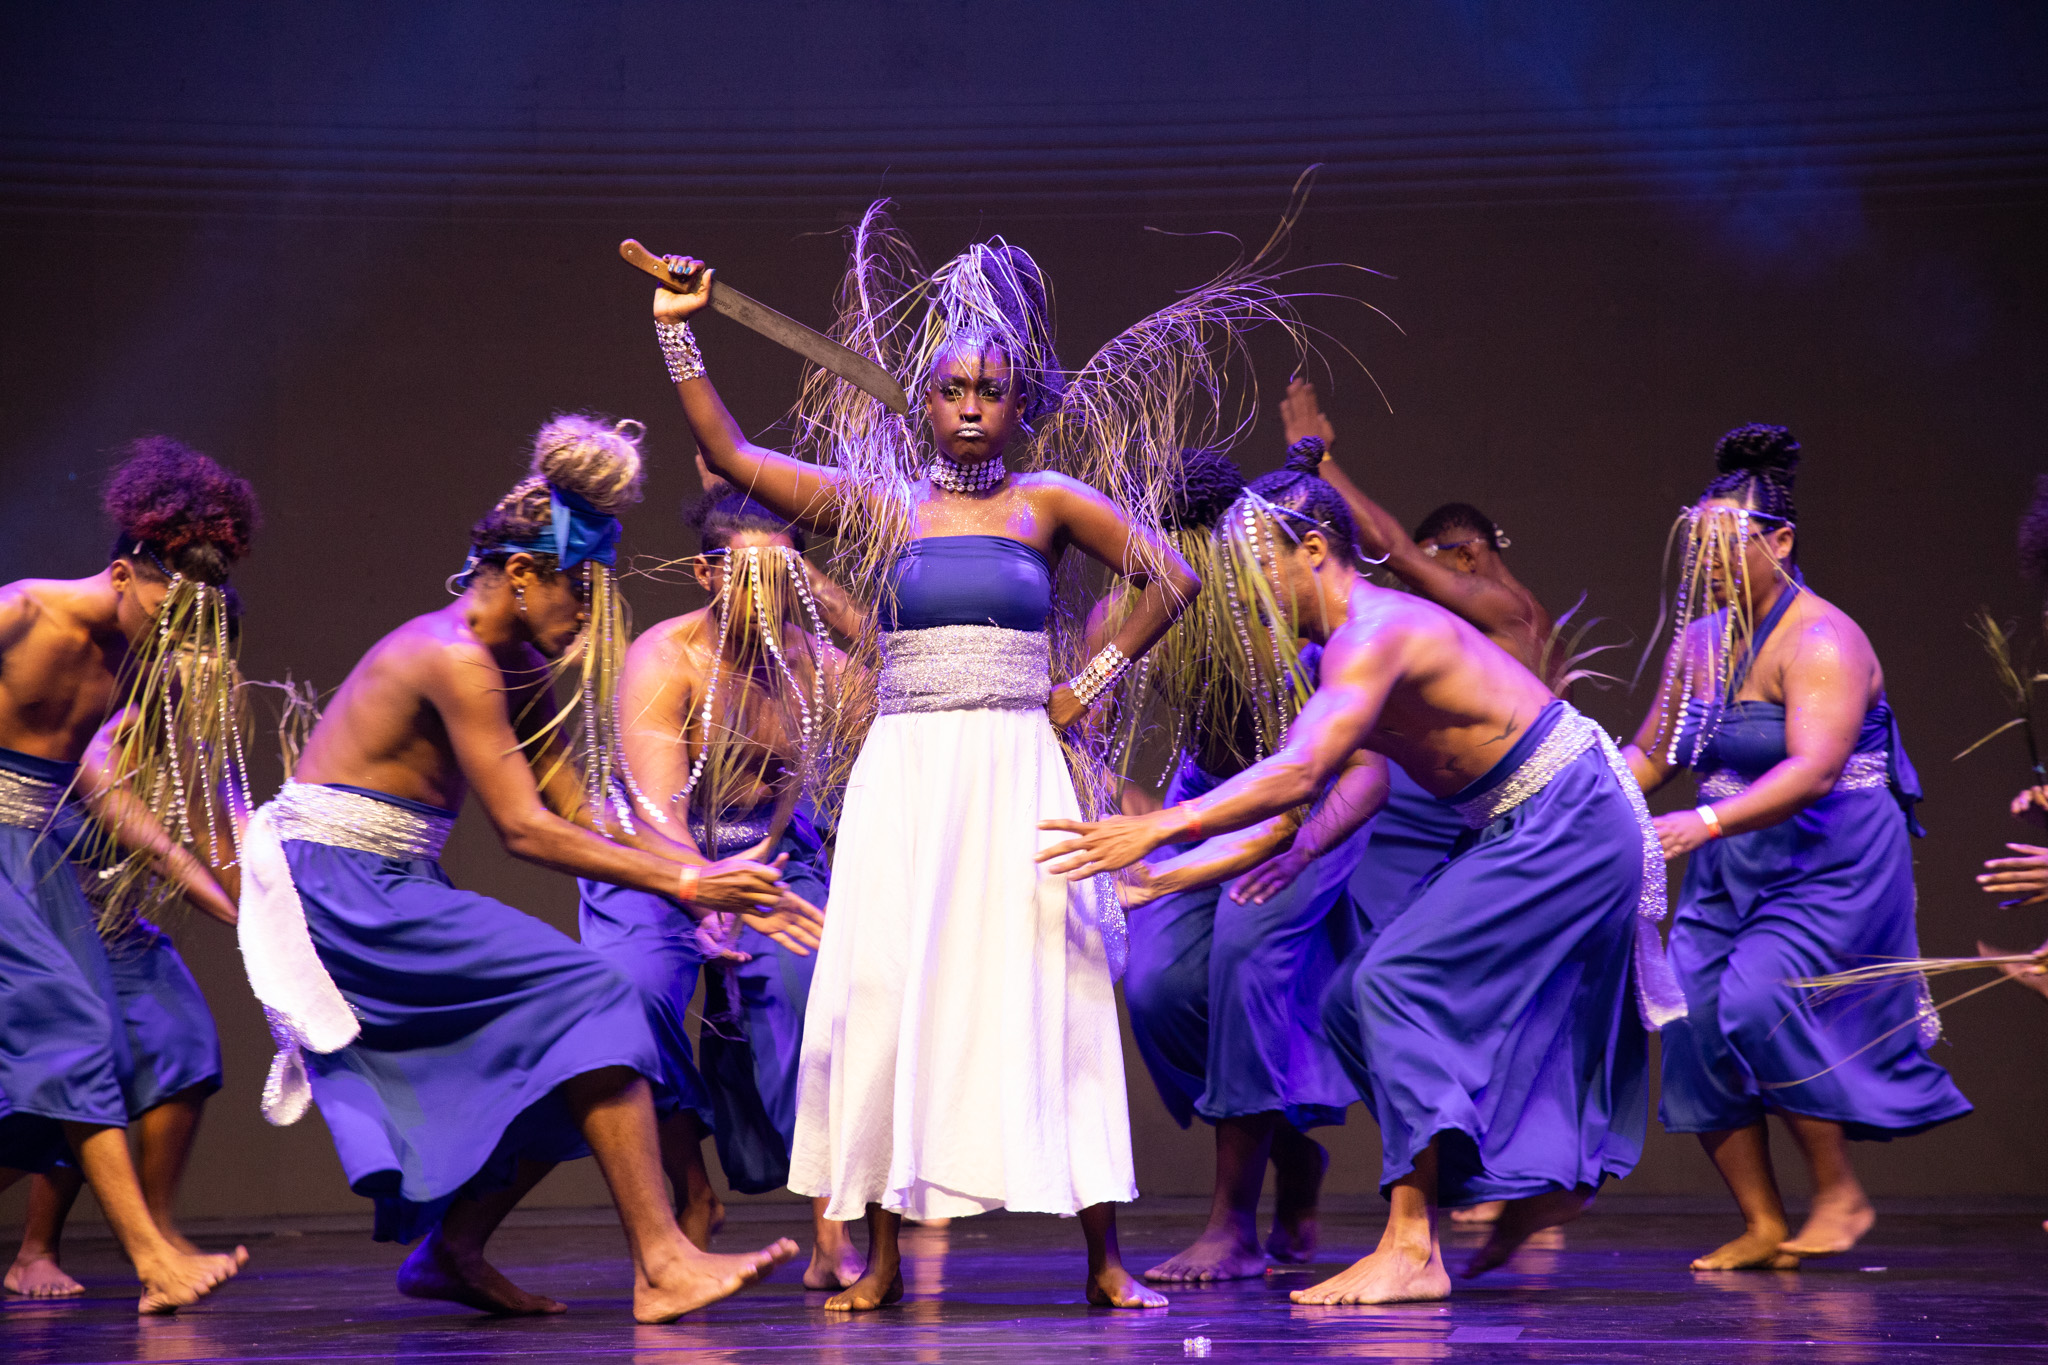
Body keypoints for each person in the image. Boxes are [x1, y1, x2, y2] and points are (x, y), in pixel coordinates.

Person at [647, 206, 1256, 1310]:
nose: (970, 407)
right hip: (909, 777)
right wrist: (677, 329)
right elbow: (733, 456)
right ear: (924, 401)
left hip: (1017, 770)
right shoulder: (882, 506)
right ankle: (881, 1257)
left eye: (990, 391)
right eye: (951, 390)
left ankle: (1104, 1258)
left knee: (1055, 980)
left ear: (1020, 405)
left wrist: (1084, 685)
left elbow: (1170, 577)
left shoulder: (1047, 502)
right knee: (889, 987)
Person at [1039, 446, 1679, 1306]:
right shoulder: (1327, 655)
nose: (1243, 592)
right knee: (1351, 1001)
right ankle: (1528, 1185)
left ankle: (1413, 1244)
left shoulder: (1374, 634)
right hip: (1520, 818)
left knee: (1392, 983)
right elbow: (1290, 815)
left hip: (1568, 813)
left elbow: (1303, 771)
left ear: (1313, 550)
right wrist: (1161, 878)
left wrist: (1160, 825)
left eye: (1257, 567)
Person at [235, 415, 818, 1322]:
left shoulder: (513, 661)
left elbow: (585, 810)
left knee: (571, 1032)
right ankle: (663, 1259)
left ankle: (454, 1248)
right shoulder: (456, 656)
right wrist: (686, 884)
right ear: (520, 573)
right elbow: (525, 830)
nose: (586, 616)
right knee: (598, 999)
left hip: (392, 881)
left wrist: (701, 875)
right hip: (339, 888)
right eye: (579, 592)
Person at [1624, 425, 1969, 1270]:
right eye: (1698, 547)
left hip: (1829, 857)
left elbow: (1814, 768)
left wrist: (1704, 823)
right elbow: (1655, 755)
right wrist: (1570, 792)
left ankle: (1839, 1191)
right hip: (1731, 860)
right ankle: (1762, 1221)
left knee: (1759, 1000)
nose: (1706, 563)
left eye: (1724, 545)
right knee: (1694, 1018)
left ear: (1779, 540)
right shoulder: (1700, 642)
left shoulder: (1823, 639)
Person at [1279, 378, 1589, 1227]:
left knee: (1420, 992)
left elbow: (1387, 550)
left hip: (1507, 825)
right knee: (1384, 994)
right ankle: (1477, 1175)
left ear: (1468, 556)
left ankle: (1484, 1185)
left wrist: (1317, 462)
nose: (1415, 583)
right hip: (1452, 827)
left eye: (1432, 564)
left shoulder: (1503, 607)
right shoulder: (1455, 626)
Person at [1102, 446, 1375, 1282]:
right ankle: (1291, 1152)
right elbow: (1084, 724)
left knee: (1245, 953)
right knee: (1158, 987)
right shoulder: (1138, 604)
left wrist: (1301, 843)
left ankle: (1233, 1225)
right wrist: (1127, 803)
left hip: (1307, 803)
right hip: (1209, 792)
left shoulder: (1279, 607)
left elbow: (1354, 769)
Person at [577, 485, 860, 1289]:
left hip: (769, 858)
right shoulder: (666, 658)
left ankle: (831, 1231)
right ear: (705, 574)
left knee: (812, 986)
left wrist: (830, 599)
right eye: (749, 579)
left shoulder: (819, 667)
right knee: (635, 994)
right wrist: (701, 894)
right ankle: (691, 1194)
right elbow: (658, 807)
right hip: (656, 858)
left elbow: (904, 695)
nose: (768, 600)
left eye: (784, 579)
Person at [0, 437, 253, 1311]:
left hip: (37, 854)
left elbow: (204, 807)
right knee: (69, 1031)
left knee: (96, 1049)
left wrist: (258, 913)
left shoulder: (150, 656)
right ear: (120, 574)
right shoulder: (22, 611)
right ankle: (153, 1258)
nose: (176, 637)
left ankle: (147, 1245)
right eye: (167, 612)